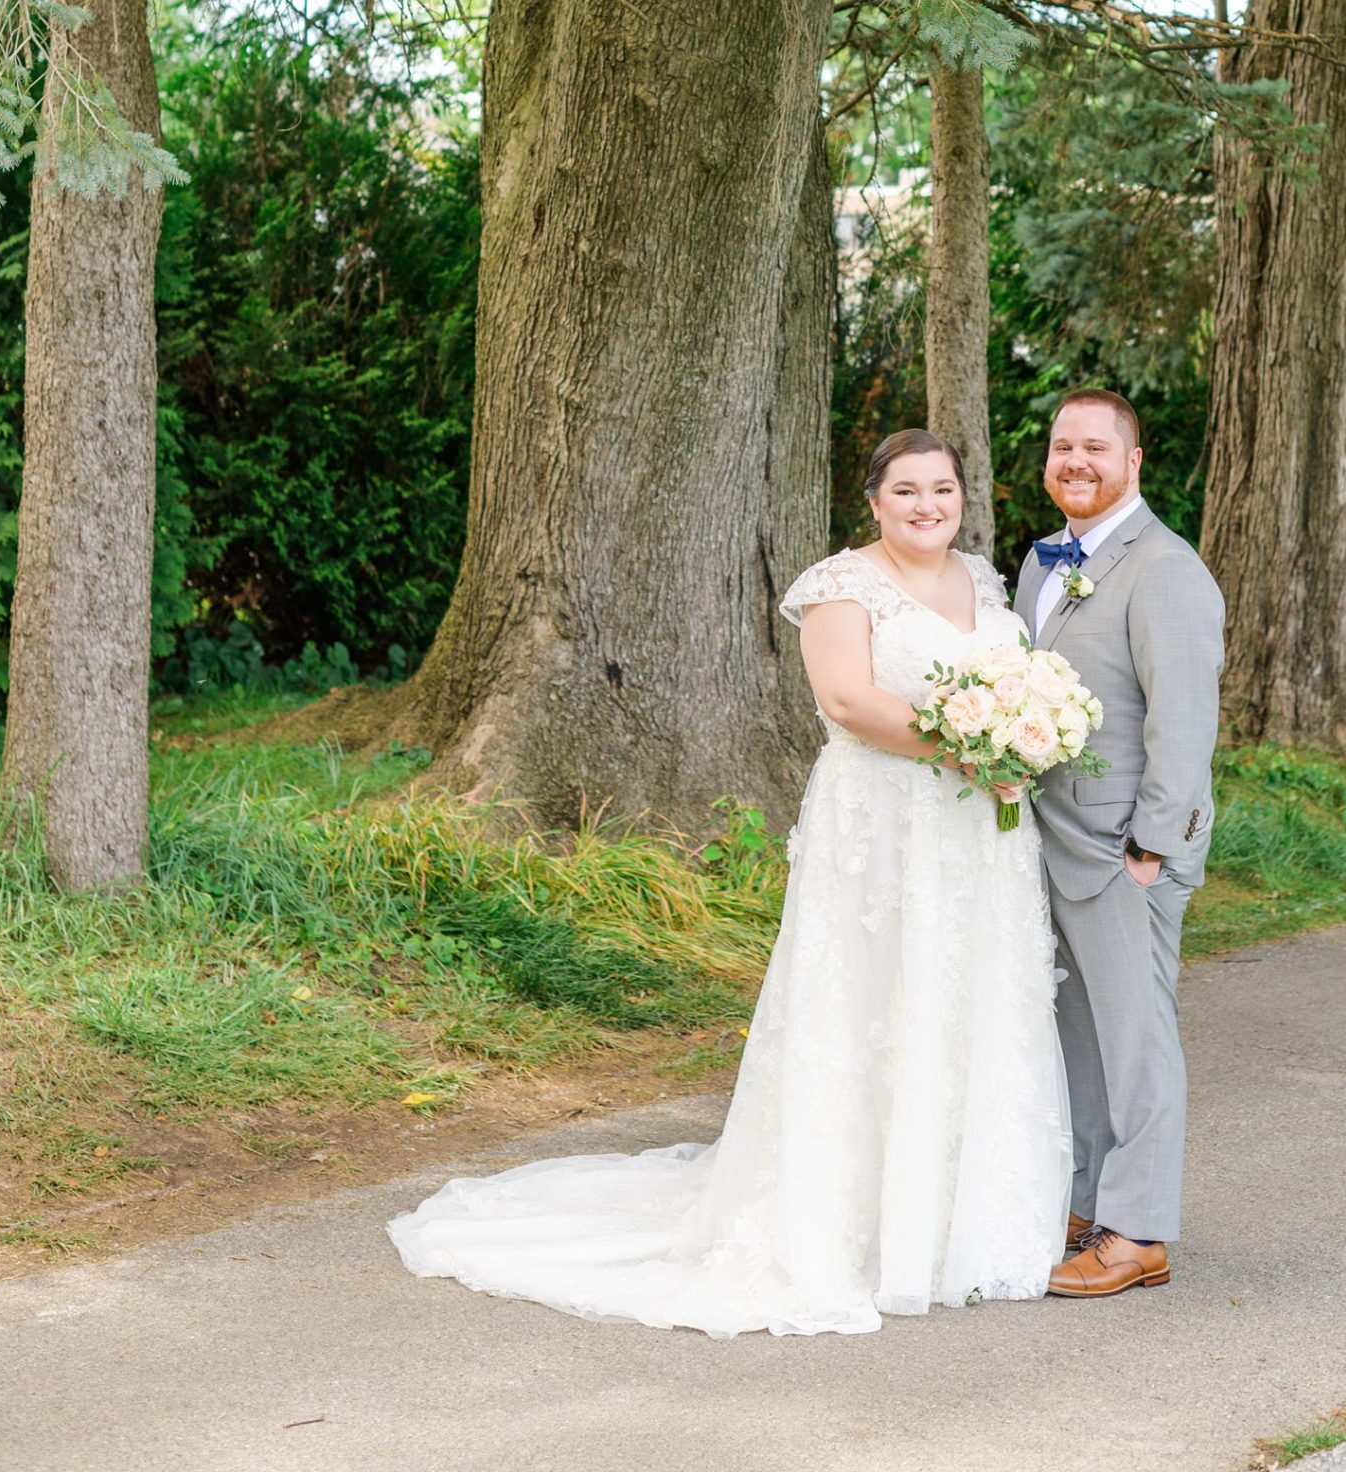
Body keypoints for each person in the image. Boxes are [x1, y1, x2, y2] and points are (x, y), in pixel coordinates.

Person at [388, 429, 1070, 1336]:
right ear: (873, 501)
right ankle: (853, 1223)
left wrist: (1018, 741)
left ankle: (955, 1220)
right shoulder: (840, 585)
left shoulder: (985, 581)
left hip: (974, 834)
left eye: (940, 489)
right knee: (872, 1000)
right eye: (905, 491)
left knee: (963, 999)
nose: (925, 506)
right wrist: (975, 747)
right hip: (882, 827)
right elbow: (848, 702)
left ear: (960, 497)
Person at [1014, 388, 1224, 1298]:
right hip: (1051, 841)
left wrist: (1151, 849)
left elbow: (1184, 722)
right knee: (1082, 1036)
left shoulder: (1166, 569)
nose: (1076, 461)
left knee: (1136, 1039)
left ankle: (1138, 1230)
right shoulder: (1039, 560)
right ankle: (1092, 1200)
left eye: (1095, 447)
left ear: (1132, 461)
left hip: (1122, 852)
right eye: (1063, 446)